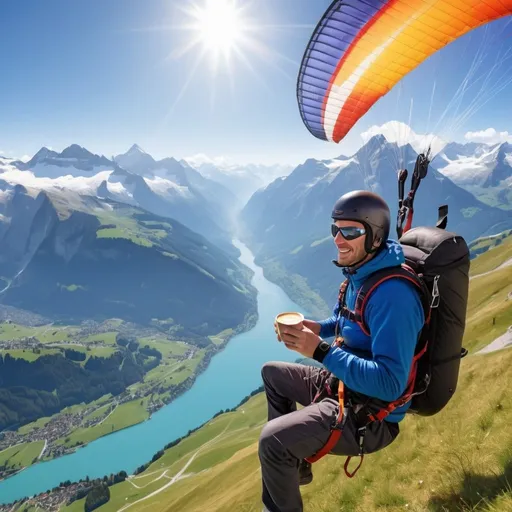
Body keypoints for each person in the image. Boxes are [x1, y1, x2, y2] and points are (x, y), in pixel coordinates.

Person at [259, 190, 425, 512]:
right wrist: (314, 327)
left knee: (272, 440)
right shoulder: (358, 276)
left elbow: (390, 383)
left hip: (371, 414)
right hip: (344, 386)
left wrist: (321, 351)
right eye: (335, 229)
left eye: (350, 232)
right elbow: (344, 321)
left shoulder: (394, 296)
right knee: (272, 374)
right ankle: (297, 467)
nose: (338, 239)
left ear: (375, 237)